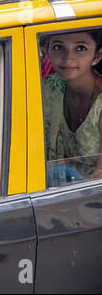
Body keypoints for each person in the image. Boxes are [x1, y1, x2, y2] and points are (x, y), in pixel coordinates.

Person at [42, 30, 102, 181]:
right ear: (47, 49)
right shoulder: (49, 87)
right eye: (58, 47)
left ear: (97, 56)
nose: (68, 58)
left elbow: (99, 177)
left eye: (80, 48)